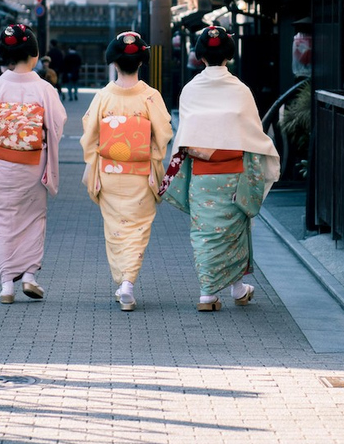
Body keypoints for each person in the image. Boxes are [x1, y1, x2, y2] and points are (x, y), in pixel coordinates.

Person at [162, 25, 280, 312]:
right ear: (229, 54)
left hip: (203, 177)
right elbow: (253, 134)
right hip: (234, 174)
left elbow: (185, 136)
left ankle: (210, 294)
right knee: (236, 231)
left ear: (200, 56)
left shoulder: (190, 90)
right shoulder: (240, 90)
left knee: (205, 233)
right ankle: (235, 289)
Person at [0, 24, 67, 304]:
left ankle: (6, 286)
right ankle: (29, 277)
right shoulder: (44, 88)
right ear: (34, 54)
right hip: (32, 165)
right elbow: (57, 124)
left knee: (2, 220)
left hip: (0, 164)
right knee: (34, 219)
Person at [80, 31, 173, 311]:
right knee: (138, 229)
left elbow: (90, 136)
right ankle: (128, 283)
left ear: (115, 64)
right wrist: (150, 155)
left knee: (115, 230)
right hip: (140, 173)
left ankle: (123, 282)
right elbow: (164, 133)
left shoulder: (103, 96)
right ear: (141, 63)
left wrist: (98, 159)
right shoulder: (150, 96)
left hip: (110, 173)